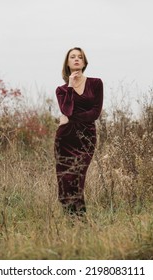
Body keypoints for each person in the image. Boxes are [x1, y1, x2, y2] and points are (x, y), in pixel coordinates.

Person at [54, 47, 103, 216]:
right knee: (65, 177)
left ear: (84, 62)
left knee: (79, 175)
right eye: (72, 57)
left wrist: (71, 118)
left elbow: (95, 113)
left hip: (86, 136)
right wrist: (70, 86)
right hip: (66, 137)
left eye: (80, 57)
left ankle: (81, 218)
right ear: (67, 63)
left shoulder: (96, 83)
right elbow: (66, 110)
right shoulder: (61, 90)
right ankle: (70, 217)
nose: (76, 59)